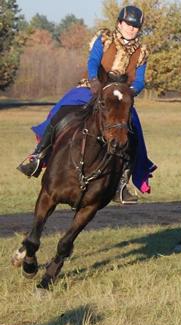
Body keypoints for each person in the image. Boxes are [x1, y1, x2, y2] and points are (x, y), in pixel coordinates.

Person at [17, 5, 155, 204]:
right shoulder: (105, 39)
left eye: (136, 26)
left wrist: (129, 93)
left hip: (119, 97)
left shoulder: (142, 51)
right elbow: (93, 61)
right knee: (61, 110)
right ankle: (38, 156)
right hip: (92, 87)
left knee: (135, 131)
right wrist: (94, 81)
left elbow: (140, 79)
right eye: (128, 24)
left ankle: (121, 183)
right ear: (120, 23)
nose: (131, 29)